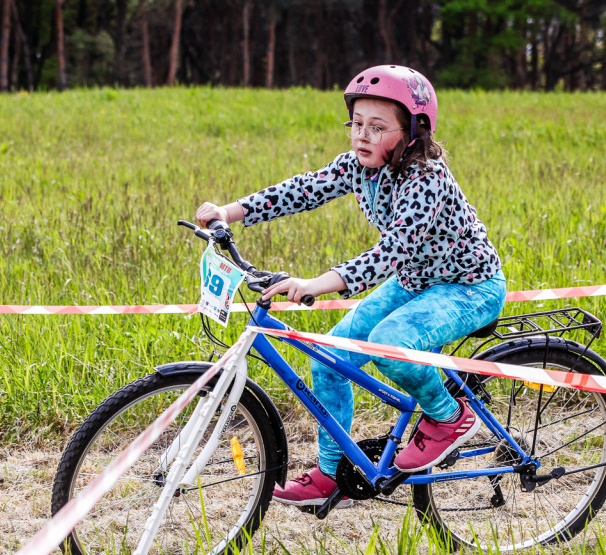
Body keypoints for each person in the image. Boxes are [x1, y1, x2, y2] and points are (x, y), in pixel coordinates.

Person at [194, 65, 505, 509]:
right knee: (331, 353)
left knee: (391, 342)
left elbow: (391, 250)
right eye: (356, 124)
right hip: (415, 281)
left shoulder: (426, 178)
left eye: (377, 128)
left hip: (469, 287)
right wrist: (229, 211)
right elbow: (303, 190)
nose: (362, 136)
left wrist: (317, 284)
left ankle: (449, 417)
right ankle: (330, 474)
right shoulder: (360, 166)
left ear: (412, 132)